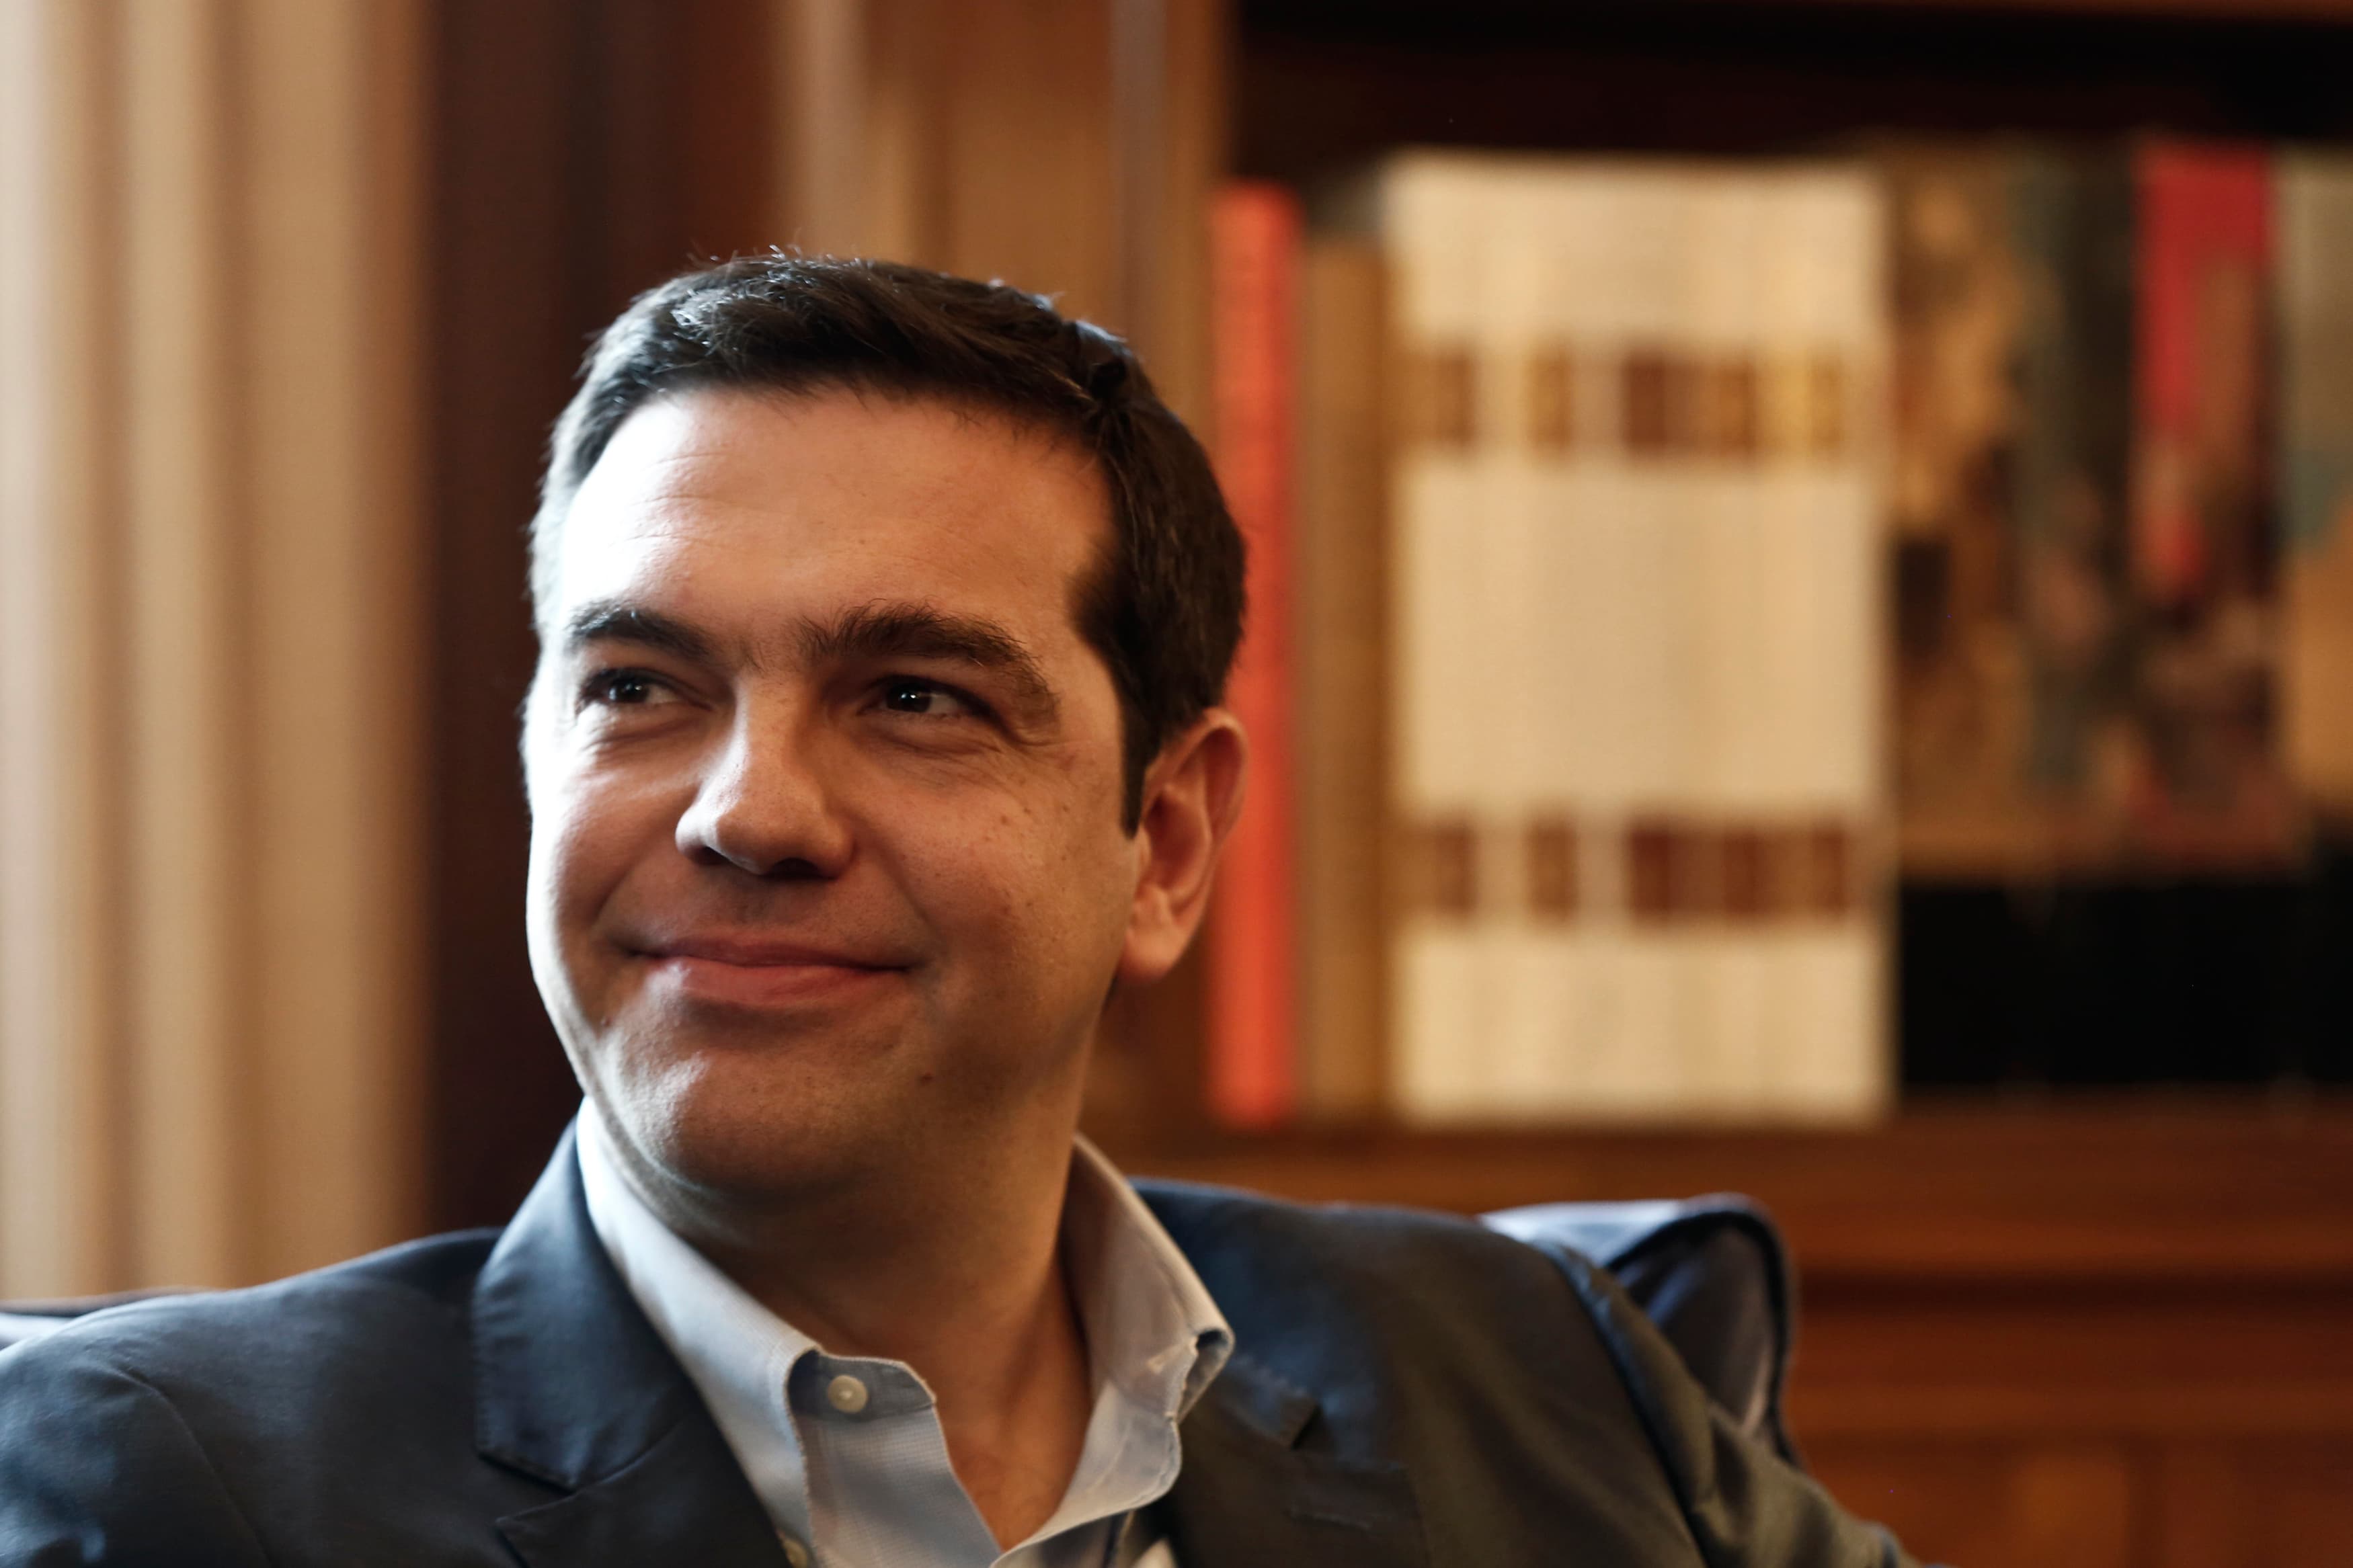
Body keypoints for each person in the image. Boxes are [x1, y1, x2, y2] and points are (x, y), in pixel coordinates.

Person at [0, 255, 1918, 1567]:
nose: (747, 809)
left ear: (1161, 841)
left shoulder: (1554, 1383)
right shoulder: (168, 1485)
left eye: (914, 696)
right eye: (639, 689)